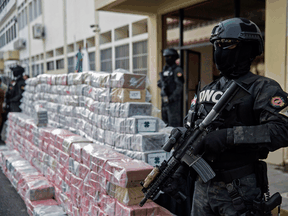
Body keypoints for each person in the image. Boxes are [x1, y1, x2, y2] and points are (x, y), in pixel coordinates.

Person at [162, 17, 288, 216]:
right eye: (216, 45)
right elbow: (193, 132)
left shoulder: (263, 88)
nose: (219, 51)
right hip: (203, 187)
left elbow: (282, 130)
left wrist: (228, 136)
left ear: (247, 48)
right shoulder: (207, 89)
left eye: (226, 45)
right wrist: (180, 160)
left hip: (238, 188)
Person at [157, 48, 184, 127]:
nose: (166, 59)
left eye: (168, 57)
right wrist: (160, 84)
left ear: (174, 57)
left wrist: (172, 98)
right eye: (165, 57)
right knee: (164, 122)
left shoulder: (177, 70)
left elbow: (179, 86)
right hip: (164, 100)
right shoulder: (165, 69)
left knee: (173, 124)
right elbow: (160, 83)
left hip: (173, 102)